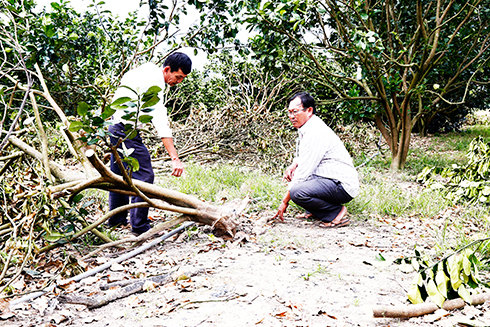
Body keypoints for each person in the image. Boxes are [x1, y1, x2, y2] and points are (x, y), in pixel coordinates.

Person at [107, 52, 192, 235]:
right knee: (144, 175)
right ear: (167, 69)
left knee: (119, 175)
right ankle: (139, 227)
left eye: (182, 79)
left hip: (114, 126)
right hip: (125, 129)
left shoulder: (146, 70)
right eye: (178, 77)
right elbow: (160, 122)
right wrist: (174, 158)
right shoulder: (155, 83)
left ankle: (115, 220)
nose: (178, 82)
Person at [273, 92, 359, 228]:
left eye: (295, 112)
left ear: (309, 110)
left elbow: (304, 171)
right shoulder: (308, 127)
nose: (291, 116)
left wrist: (285, 201)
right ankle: (316, 211)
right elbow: (305, 156)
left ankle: (336, 213)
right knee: (298, 182)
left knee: (297, 192)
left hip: (341, 185)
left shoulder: (315, 132)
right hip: (329, 180)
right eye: (289, 112)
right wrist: (294, 165)